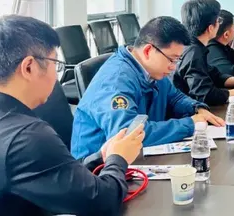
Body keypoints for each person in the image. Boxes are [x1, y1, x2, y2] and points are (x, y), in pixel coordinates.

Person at [0, 16, 145, 216]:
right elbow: (104, 203)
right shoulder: (25, 134)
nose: (56, 75)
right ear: (29, 67)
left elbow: (46, 173)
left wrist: (102, 158)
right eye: (55, 63)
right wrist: (119, 159)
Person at [71, 16, 223, 160]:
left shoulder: (151, 71)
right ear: (148, 51)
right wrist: (189, 124)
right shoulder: (116, 81)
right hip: (99, 168)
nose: (173, 67)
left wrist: (196, 108)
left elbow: (174, 97)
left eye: (177, 60)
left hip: (140, 156)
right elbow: (128, 135)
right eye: (172, 59)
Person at [175, 0, 234, 107]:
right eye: (218, 20)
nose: (219, 24)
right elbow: (205, 95)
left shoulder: (196, 47)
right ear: (210, 28)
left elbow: (216, 76)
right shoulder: (193, 52)